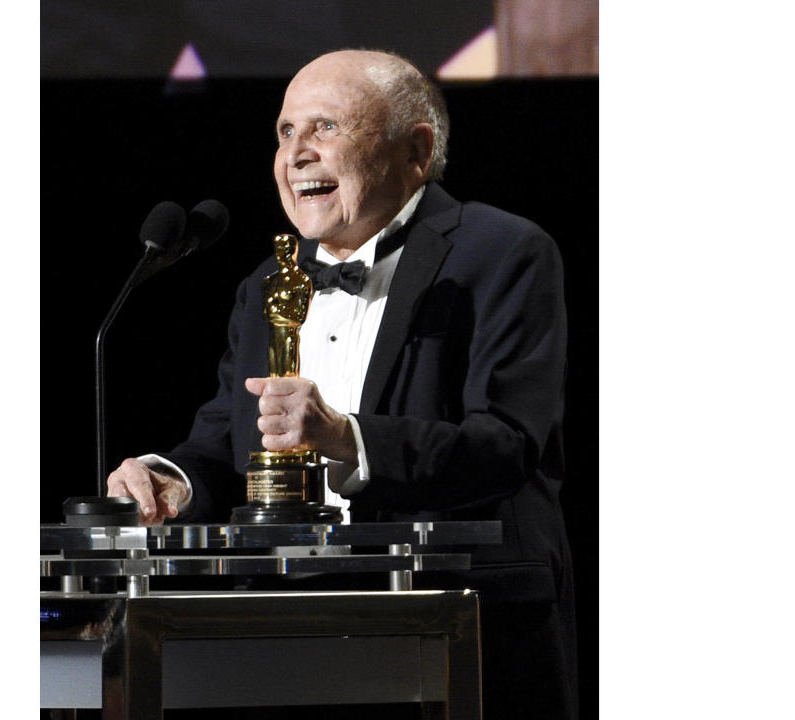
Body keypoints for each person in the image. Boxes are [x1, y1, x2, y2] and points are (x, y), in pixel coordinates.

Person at [107, 49, 577, 720]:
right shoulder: (267, 281)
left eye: (324, 128)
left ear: (415, 151)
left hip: (457, 625)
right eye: (285, 132)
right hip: (292, 633)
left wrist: (344, 437)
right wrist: (169, 480)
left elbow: (506, 443)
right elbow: (226, 435)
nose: (296, 154)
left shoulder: (503, 253)